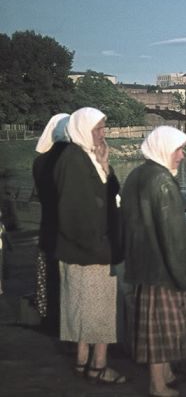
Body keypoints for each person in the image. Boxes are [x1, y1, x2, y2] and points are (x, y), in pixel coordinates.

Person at [121, 126, 186, 397]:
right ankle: (157, 384)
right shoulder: (163, 182)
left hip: (140, 262)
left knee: (154, 323)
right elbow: (173, 234)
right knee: (160, 327)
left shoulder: (136, 174)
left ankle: (165, 373)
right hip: (161, 267)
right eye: (179, 149)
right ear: (165, 149)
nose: (183, 155)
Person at [53, 107, 125, 384]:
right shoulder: (74, 161)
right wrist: (100, 243)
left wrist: (105, 166)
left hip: (83, 248)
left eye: (104, 127)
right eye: (98, 128)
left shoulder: (85, 157)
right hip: (90, 249)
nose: (103, 133)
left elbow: (111, 190)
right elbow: (76, 209)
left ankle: (83, 361)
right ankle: (99, 365)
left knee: (83, 308)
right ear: (83, 128)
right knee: (99, 311)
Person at [32, 113, 70, 335]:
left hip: (47, 225)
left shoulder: (39, 162)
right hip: (65, 228)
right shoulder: (68, 161)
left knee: (49, 277)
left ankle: (49, 318)